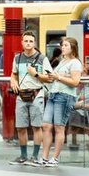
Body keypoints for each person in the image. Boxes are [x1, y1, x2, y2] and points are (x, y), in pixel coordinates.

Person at [35, 36, 81, 167]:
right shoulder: (62, 61)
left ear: (73, 47)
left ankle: (54, 158)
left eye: (66, 45)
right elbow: (57, 77)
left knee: (59, 127)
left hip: (65, 95)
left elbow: (75, 82)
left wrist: (58, 77)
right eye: (62, 45)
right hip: (53, 94)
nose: (63, 47)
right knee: (46, 125)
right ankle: (44, 157)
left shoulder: (75, 63)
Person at [8, 31, 52, 165]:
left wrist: (36, 74)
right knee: (21, 127)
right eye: (26, 41)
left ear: (34, 43)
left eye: (31, 41)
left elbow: (50, 78)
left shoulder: (42, 58)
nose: (28, 43)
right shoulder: (17, 58)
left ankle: (34, 156)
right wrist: (13, 81)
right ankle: (23, 156)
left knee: (36, 126)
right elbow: (14, 74)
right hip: (21, 95)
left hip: (36, 94)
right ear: (22, 42)